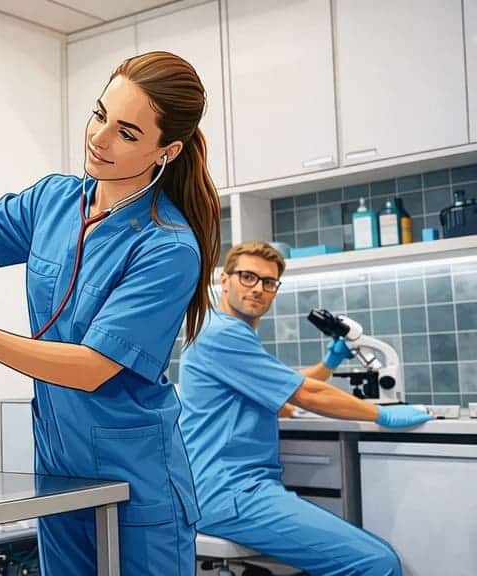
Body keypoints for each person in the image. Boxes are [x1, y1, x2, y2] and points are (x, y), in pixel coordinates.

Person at [0, 51, 221, 575]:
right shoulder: (57, 199)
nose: (100, 138)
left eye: (127, 134)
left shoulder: (167, 246)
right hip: (60, 470)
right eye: (100, 113)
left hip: (138, 481)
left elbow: (92, 366)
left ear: (166, 151)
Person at [177, 241, 432, 576]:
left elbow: (286, 380)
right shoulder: (221, 334)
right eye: (248, 277)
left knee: (376, 554)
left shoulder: (221, 331)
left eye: (268, 283)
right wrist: (382, 414)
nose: (258, 289)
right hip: (229, 492)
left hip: (231, 488)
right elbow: (306, 393)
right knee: (377, 563)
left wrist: (328, 363)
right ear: (225, 280)